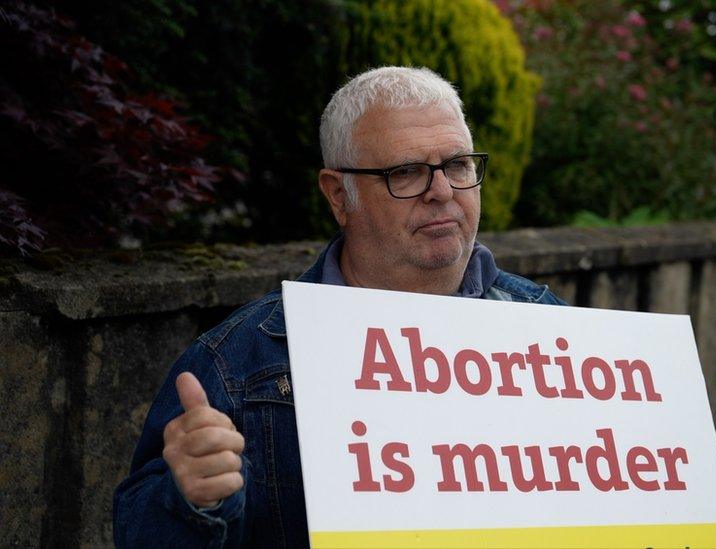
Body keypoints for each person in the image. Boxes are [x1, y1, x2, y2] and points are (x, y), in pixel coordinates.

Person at [113, 66, 566, 548]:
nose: (443, 191)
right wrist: (191, 501)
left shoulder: (552, 327)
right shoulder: (234, 366)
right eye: (406, 172)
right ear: (338, 195)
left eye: (457, 165)